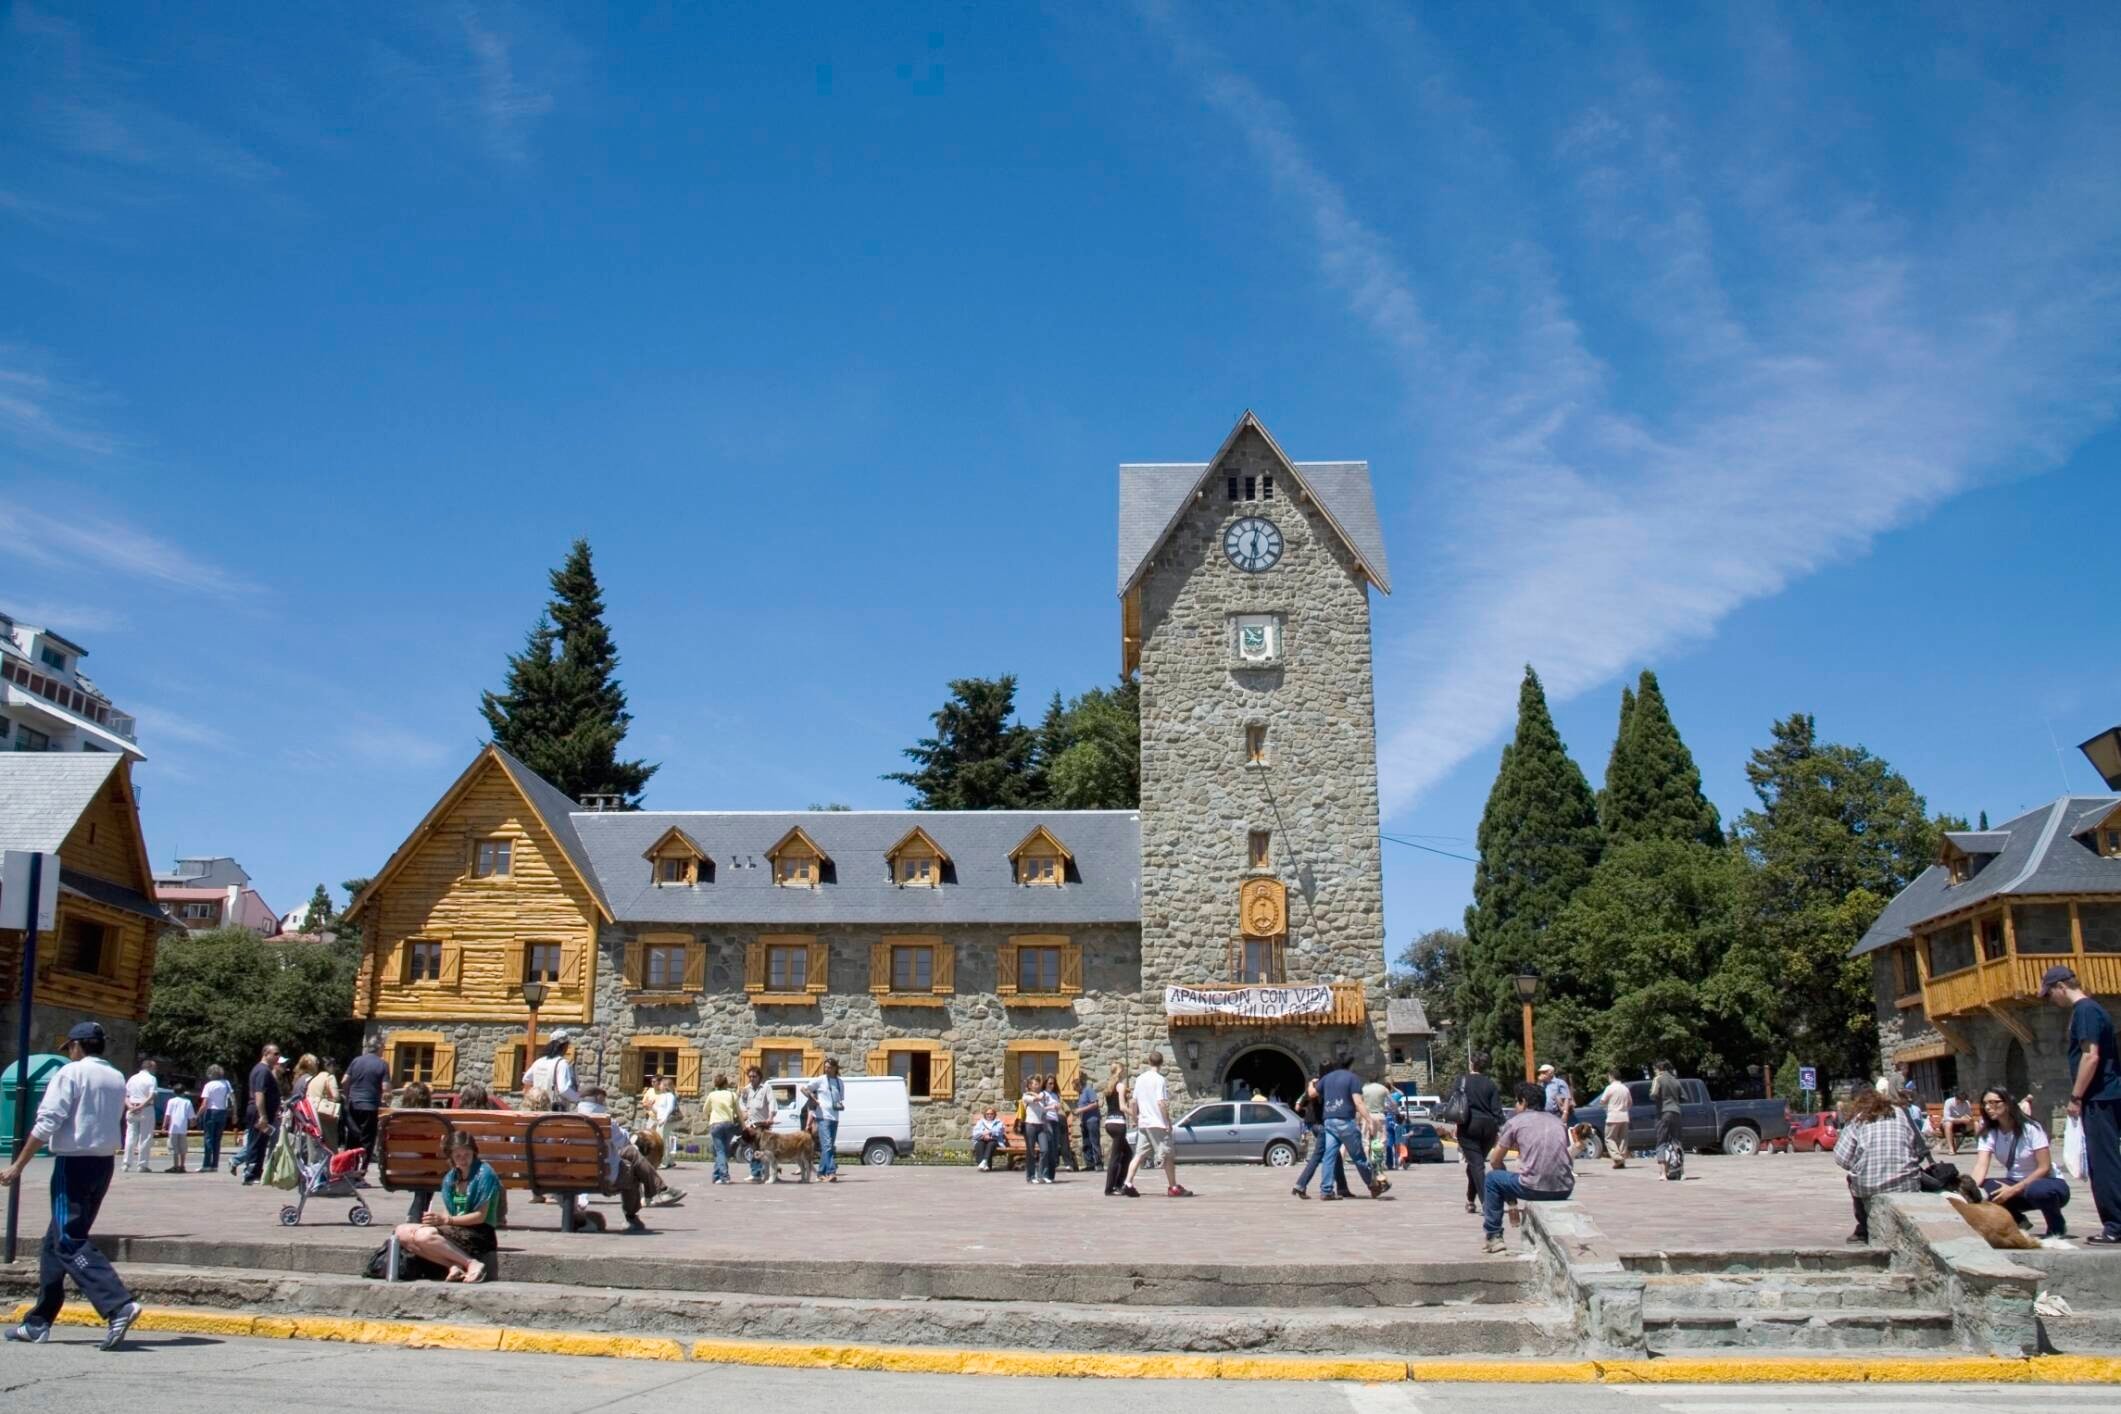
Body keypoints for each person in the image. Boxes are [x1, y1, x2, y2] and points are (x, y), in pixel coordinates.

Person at [1, 1021, 143, 1348]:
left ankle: (117, 1303)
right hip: (102, 1163)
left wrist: (18, 1166)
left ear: (76, 1047)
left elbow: (48, 1121)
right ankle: (38, 1322)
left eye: (69, 1048)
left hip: (73, 1164)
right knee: (54, 1241)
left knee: (68, 1240)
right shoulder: (116, 1076)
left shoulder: (71, 1074)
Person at [2042, 964, 2121, 1243]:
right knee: (2106, 1159)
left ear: (2061, 986)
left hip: (2099, 1096)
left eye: (2050, 993)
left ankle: (2115, 1226)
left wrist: (2076, 1097)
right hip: (2107, 1093)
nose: (2051, 999)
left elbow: (2091, 1056)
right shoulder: (2095, 1009)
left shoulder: (2085, 1011)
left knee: (2103, 1162)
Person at [1482, 1081, 1576, 1252]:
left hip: (1534, 1188)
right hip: (1564, 1188)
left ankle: (1494, 1236)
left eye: (1516, 1102)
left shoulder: (1516, 1122)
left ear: (1523, 1102)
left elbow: (1495, 1161)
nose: (1515, 1106)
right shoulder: (1557, 1122)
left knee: (1491, 1179)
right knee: (1517, 1176)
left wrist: (1510, 1199)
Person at [395, 1130, 499, 1282]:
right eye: (458, 1156)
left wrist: (446, 1220)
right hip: (456, 1227)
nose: (463, 1159)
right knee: (401, 1232)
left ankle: (472, 1263)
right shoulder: (451, 1177)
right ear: (451, 1156)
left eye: (467, 1155)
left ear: (474, 1153)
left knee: (424, 1236)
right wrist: (437, 1220)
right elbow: (449, 1212)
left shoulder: (484, 1174)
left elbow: (480, 1216)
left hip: (479, 1231)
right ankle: (453, 1265)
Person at [1971, 1085, 2070, 1238]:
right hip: (2015, 1183)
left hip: (2047, 1184)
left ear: (2008, 1103)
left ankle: (2056, 1226)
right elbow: (1981, 1165)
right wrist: (1969, 1190)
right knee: (1983, 1189)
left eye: (1994, 1102)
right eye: (1985, 1104)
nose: (1989, 1107)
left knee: (2037, 1189)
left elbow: (2044, 1167)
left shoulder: (2031, 1128)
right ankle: (2019, 1220)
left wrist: (2014, 1189)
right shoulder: (1989, 1133)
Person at [1833, 1087, 1928, 1244]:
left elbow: (1841, 1157)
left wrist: (1858, 1165)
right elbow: (1920, 1149)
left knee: (1852, 1179)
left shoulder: (1859, 1118)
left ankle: (1864, 1228)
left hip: (1870, 1185)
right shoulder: (1901, 1113)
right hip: (1906, 1183)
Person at [577, 1088, 680, 1231]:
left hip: (571, 1175)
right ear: (599, 1100)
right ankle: (635, 1214)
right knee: (631, 1167)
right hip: (604, 1174)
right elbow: (624, 1142)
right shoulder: (605, 1122)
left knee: (629, 1156)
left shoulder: (565, 1121)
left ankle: (660, 1190)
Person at [1314, 1052, 1390, 1202]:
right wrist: (1368, 1119)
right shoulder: (1352, 1078)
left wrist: (1312, 1083)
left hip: (1329, 1120)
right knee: (1359, 1157)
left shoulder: (1327, 1078)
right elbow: (1358, 1102)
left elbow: (1312, 1093)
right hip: (1345, 1121)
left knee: (1329, 1157)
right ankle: (1373, 1185)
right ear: (1350, 1065)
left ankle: (1326, 1190)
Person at [1121, 1051, 1192, 1198]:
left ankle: (1127, 1183)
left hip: (1144, 1123)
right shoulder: (1159, 1080)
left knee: (1139, 1155)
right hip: (1157, 1123)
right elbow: (1161, 1102)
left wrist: (1135, 1118)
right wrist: (1167, 1121)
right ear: (1161, 1063)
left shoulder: (1140, 1079)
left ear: (1149, 1061)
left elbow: (1133, 1102)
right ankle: (1173, 1187)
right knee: (1167, 1156)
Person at [1452, 1053, 1505, 1216]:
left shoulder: (1462, 1081)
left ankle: (1487, 1203)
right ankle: (1470, 1200)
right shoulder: (1490, 1084)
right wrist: (1498, 1129)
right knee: (1476, 1164)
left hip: (1468, 1125)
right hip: (1488, 1126)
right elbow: (1497, 1110)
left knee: (1477, 1165)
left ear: (1471, 1064)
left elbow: (1453, 1102)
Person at [1289, 1067, 1347, 1200]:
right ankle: (1301, 1185)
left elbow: (1299, 1104)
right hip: (1321, 1124)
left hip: (1312, 1123)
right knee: (1317, 1156)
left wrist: (1310, 1084)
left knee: (1335, 1153)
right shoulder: (1326, 1085)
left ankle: (1343, 1188)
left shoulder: (1313, 1085)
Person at [341, 1038, 391, 1176]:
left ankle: (347, 1170)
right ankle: (360, 1173)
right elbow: (385, 1088)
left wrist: (348, 1096)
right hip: (370, 1105)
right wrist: (385, 1099)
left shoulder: (356, 1061)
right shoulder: (382, 1064)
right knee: (367, 1141)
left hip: (353, 1105)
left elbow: (344, 1080)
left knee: (352, 1138)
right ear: (379, 1047)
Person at [239, 1043, 282, 1184]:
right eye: (275, 1054)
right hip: (258, 1112)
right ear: (266, 1054)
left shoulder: (266, 1070)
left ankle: (257, 1172)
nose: (278, 1057)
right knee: (256, 1143)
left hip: (264, 1112)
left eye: (278, 1054)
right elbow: (259, 1093)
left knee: (261, 1143)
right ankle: (250, 1174)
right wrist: (262, 1115)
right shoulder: (262, 1070)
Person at [801, 1057, 846, 1183]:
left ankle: (821, 1173)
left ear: (835, 1068)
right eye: (825, 1067)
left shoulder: (839, 1082)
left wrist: (839, 1104)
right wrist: (812, 1097)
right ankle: (831, 1172)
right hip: (822, 1117)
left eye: (830, 1067)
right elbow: (804, 1088)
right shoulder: (820, 1080)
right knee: (826, 1145)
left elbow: (840, 1098)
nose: (827, 1069)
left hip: (835, 1117)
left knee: (829, 1146)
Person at [522, 1033, 581, 1111]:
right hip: (554, 1109)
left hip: (538, 1107)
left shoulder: (539, 1061)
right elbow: (563, 1089)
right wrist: (578, 1098)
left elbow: (526, 1079)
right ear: (564, 1046)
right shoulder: (562, 1063)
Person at [738, 1065, 776, 1182]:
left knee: (767, 1150)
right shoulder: (746, 1089)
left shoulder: (766, 1088)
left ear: (759, 1076)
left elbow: (772, 1103)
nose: (752, 1078)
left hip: (763, 1124)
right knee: (754, 1148)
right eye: (750, 1076)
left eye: (754, 1076)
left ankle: (769, 1173)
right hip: (751, 1124)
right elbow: (741, 1103)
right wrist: (744, 1112)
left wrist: (770, 1117)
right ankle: (755, 1173)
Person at [703, 1073, 742, 1184]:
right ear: (726, 1083)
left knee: (720, 1151)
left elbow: (705, 1110)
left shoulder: (712, 1095)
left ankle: (724, 1176)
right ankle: (716, 1176)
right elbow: (738, 1112)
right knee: (723, 1151)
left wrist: (709, 1118)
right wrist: (743, 1126)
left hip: (716, 1124)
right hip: (728, 1124)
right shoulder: (732, 1095)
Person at [1101, 1062, 1132, 1195]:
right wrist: (1136, 1115)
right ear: (1120, 1072)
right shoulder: (1120, 1086)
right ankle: (1110, 1188)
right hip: (1119, 1124)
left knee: (1128, 1153)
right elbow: (1122, 1107)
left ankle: (1119, 1184)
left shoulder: (1109, 1086)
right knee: (1115, 1157)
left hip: (1109, 1123)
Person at [122, 1057, 157, 1173]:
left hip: (131, 1108)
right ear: (150, 1067)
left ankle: (126, 1163)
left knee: (130, 1137)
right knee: (145, 1137)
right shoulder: (152, 1079)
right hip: (145, 1109)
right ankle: (142, 1164)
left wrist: (130, 1106)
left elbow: (125, 1095)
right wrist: (141, 1106)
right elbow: (152, 1095)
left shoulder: (132, 1078)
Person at [1650, 1060, 1684, 1178]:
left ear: (1659, 1068)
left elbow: (1653, 1094)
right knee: (1676, 1142)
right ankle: (1680, 1172)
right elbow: (1684, 1097)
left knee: (1661, 1142)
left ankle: (1663, 1173)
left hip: (1663, 1112)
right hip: (1676, 1112)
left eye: (1654, 1069)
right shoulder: (1675, 1080)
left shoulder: (1658, 1079)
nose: (1654, 1071)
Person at [1594, 1069, 1634, 1170]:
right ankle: (1622, 1159)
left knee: (1609, 1138)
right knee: (1623, 1139)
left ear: (1611, 1076)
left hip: (1613, 1116)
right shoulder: (1625, 1088)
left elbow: (1602, 1101)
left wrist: (1608, 1105)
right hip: (1624, 1116)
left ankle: (1617, 1157)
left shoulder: (1610, 1088)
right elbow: (1630, 1103)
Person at [198, 1064, 233, 1174]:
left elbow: (204, 1103)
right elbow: (233, 1099)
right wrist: (235, 1113)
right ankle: (215, 1165)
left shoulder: (209, 1085)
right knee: (217, 1139)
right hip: (222, 1112)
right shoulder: (226, 1084)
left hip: (211, 1112)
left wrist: (197, 1115)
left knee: (208, 1138)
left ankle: (206, 1164)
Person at [307, 1054, 342, 1150]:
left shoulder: (313, 1078)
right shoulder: (330, 1077)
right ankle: (332, 1162)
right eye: (333, 1065)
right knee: (330, 1142)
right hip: (325, 1113)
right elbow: (336, 1097)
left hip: (312, 1112)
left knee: (316, 1143)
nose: (334, 1068)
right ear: (328, 1066)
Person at [1021, 1073, 1049, 1186]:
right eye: (1034, 1084)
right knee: (1031, 1152)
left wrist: (1053, 1107)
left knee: (1045, 1149)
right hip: (1030, 1125)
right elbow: (1037, 1098)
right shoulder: (1026, 1096)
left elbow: (1044, 1108)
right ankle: (1030, 1176)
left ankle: (1040, 1175)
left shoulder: (1042, 1095)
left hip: (1041, 1125)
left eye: (1038, 1084)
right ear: (1030, 1086)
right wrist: (1031, 1092)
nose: (1037, 1085)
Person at [648, 1076, 680, 1168]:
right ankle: (668, 1161)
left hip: (664, 1121)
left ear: (665, 1086)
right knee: (664, 1141)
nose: (659, 1085)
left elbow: (670, 1108)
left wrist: (664, 1118)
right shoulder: (663, 1096)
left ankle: (665, 1162)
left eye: (661, 1084)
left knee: (663, 1141)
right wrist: (652, 1107)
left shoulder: (670, 1096)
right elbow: (660, 1110)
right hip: (661, 1120)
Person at [1075, 1071, 1103, 1173]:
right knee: (1086, 1143)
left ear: (1079, 1085)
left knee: (1094, 1142)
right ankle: (1089, 1164)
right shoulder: (1081, 1094)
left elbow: (1095, 1104)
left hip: (1092, 1120)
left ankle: (1099, 1163)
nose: (1075, 1090)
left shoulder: (1088, 1090)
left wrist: (1081, 1110)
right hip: (1084, 1121)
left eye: (1075, 1088)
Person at [163, 1087, 195, 1173]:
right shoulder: (187, 1102)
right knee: (183, 1148)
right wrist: (192, 1123)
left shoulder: (171, 1101)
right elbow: (191, 1116)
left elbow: (167, 1114)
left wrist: (164, 1125)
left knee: (174, 1148)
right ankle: (182, 1165)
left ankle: (176, 1165)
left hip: (173, 1128)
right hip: (183, 1128)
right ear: (183, 1092)